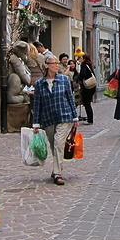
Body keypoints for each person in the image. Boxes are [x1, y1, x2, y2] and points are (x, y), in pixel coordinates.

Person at [32, 55, 79, 185]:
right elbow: (37, 105)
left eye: (57, 63)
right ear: (46, 65)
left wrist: (75, 117)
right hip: (47, 118)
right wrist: (35, 123)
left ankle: (58, 173)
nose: (57, 65)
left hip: (64, 116)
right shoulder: (39, 84)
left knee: (59, 144)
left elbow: (70, 98)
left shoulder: (64, 80)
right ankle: (55, 168)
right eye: (54, 63)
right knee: (54, 145)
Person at [77, 55, 97, 124]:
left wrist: (79, 77)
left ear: (84, 59)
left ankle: (90, 119)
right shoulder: (89, 65)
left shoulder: (84, 65)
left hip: (87, 87)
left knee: (87, 103)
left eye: (81, 58)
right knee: (88, 103)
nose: (80, 59)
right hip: (92, 86)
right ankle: (90, 118)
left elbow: (83, 74)